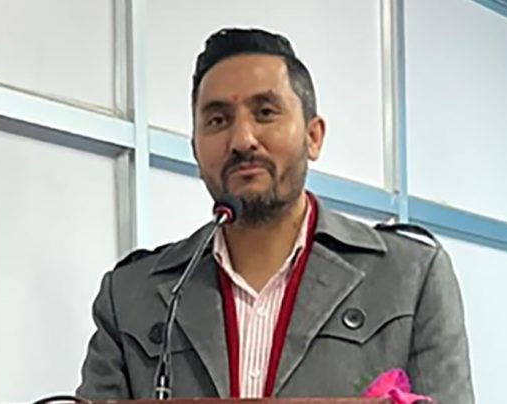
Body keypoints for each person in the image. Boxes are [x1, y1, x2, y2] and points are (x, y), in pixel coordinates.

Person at [76, 28, 474, 403]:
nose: (242, 140)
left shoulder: (409, 276)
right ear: (195, 147)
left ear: (313, 137)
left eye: (265, 112)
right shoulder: (132, 295)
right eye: (217, 120)